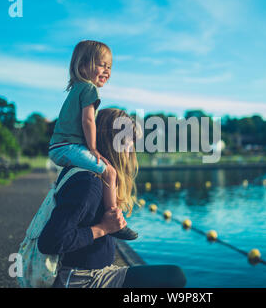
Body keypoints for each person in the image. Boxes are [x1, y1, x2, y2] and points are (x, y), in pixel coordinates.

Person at [38, 108, 187, 288]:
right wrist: (103, 228)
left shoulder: (96, 176)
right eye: (129, 142)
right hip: (81, 280)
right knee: (174, 276)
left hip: (96, 271)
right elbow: (50, 241)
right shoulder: (88, 182)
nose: (131, 151)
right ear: (114, 143)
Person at [48, 40, 137, 240]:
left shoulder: (77, 89)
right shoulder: (89, 89)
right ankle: (114, 217)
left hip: (60, 147)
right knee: (110, 172)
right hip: (67, 147)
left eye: (109, 67)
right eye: (101, 65)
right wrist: (93, 149)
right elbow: (88, 120)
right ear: (82, 66)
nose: (106, 70)